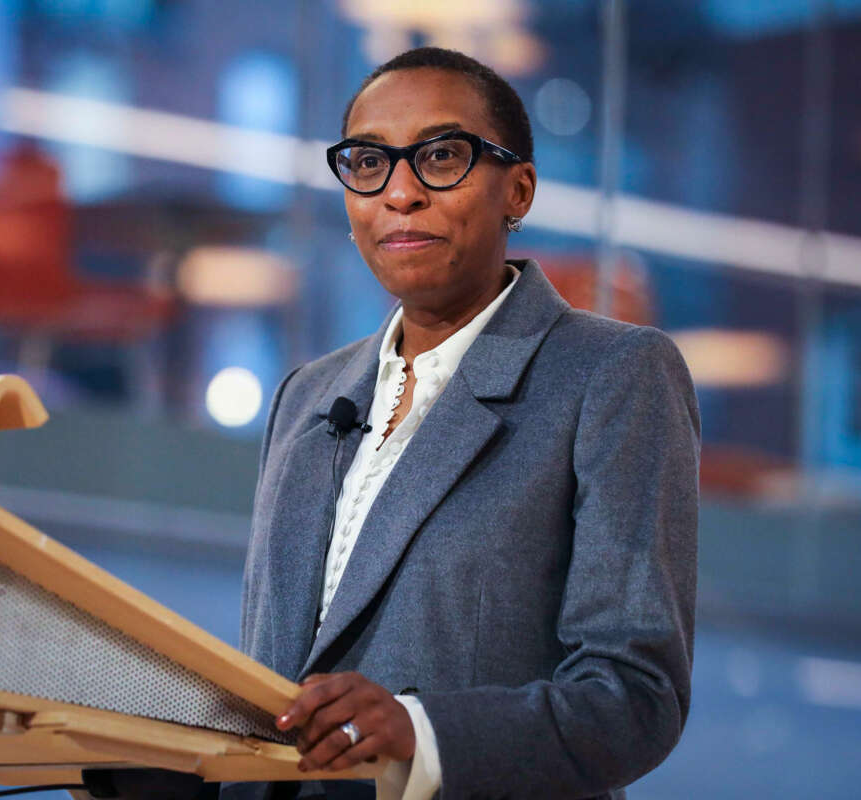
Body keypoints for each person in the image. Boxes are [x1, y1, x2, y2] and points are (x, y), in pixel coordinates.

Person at [229, 47, 700, 800]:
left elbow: (635, 697)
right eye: (369, 161)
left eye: (442, 156)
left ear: (519, 189)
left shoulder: (611, 375)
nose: (401, 193)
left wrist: (421, 732)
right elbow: (276, 694)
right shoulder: (306, 397)